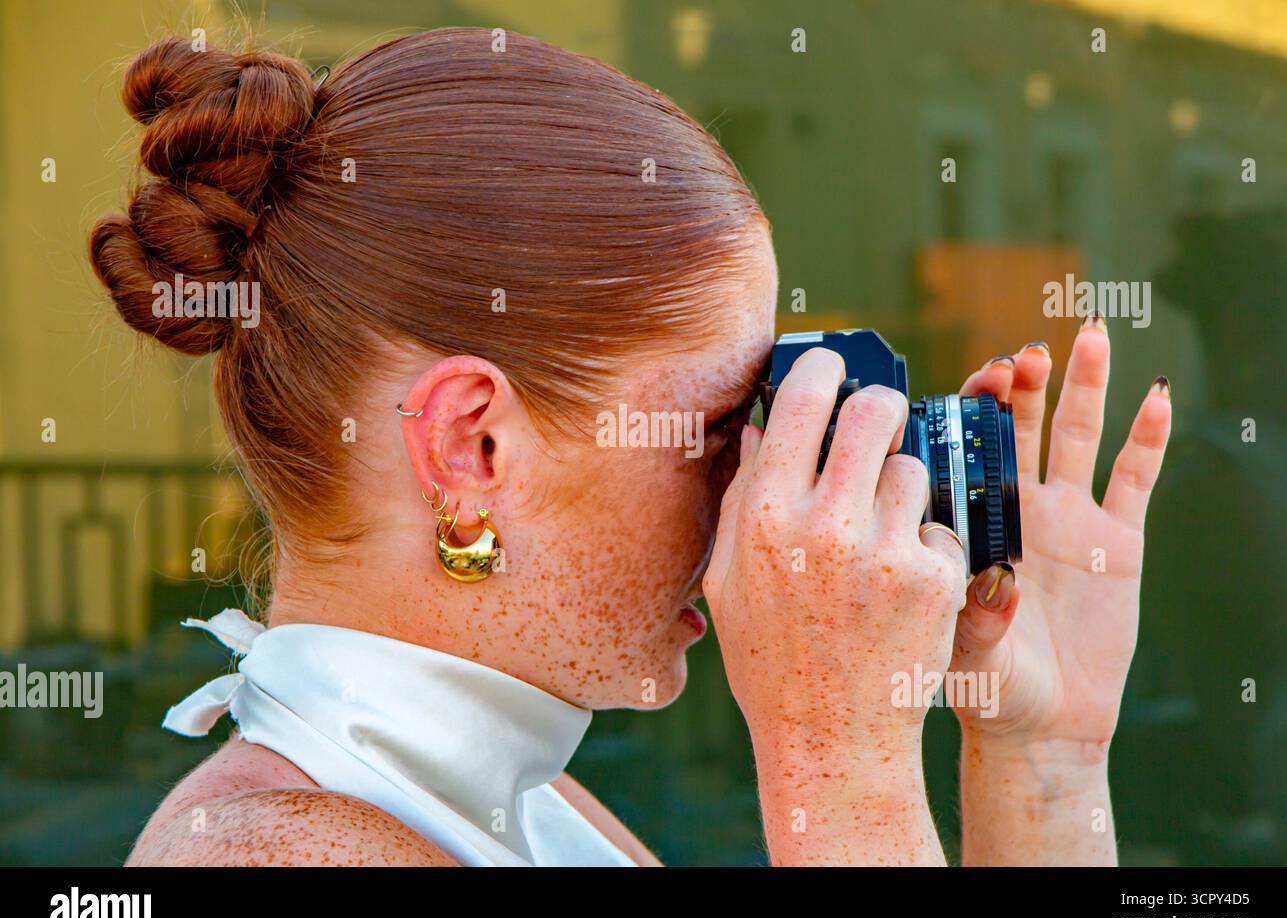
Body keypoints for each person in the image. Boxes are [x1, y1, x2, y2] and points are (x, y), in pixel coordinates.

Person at [88, 28, 1171, 866]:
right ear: (472, 451)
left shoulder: (517, 801)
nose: (763, 493)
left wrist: (1042, 752)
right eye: (717, 429)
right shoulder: (276, 855)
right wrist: (841, 764)